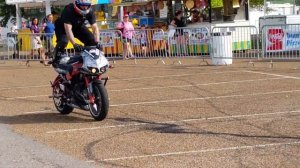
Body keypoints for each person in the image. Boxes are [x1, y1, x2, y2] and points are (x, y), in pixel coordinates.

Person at [53, 0, 101, 65]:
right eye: (83, 6)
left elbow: (95, 28)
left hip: (78, 26)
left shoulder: (90, 11)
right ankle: (56, 57)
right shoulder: (68, 10)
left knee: (91, 40)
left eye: (86, 6)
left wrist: (97, 42)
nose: (85, 8)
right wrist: (74, 44)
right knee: (63, 41)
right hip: (63, 27)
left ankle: (88, 58)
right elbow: (68, 29)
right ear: (77, 5)